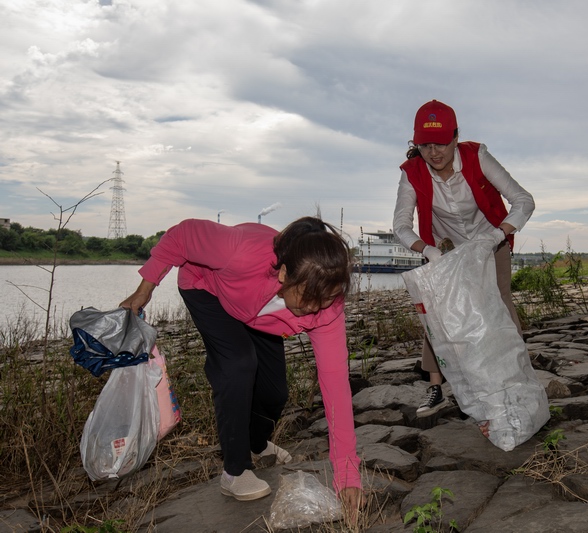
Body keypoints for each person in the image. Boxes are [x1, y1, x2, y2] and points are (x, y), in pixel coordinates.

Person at [119, 216, 362, 519]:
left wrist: (348, 476)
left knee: (275, 394)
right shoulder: (241, 251)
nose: (315, 309)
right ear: (284, 273)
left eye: (324, 299)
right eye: (309, 298)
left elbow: (336, 389)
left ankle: (257, 444)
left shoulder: (327, 309)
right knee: (237, 364)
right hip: (209, 291)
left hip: (261, 315)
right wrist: (145, 290)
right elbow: (181, 236)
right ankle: (235, 472)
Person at [393, 99, 535, 421]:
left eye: (441, 142)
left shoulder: (478, 156)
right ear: (416, 144)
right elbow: (400, 225)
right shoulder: (411, 173)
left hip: (490, 241)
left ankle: (517, 376)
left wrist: (498, 235)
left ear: (455, 137)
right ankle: (436, 387)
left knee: (500, 303)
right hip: (445, 249)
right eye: (425, 145)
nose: (434, 152)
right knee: (438, 313)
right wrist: (427, 250)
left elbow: (524, 201)